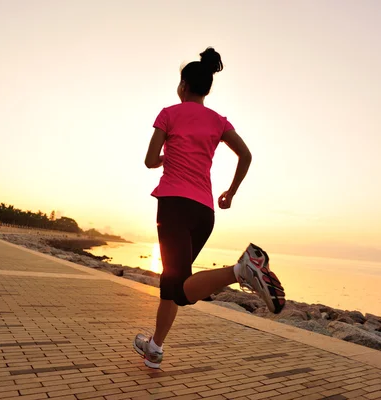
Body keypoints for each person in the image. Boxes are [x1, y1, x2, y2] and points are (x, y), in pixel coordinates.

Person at [134, 47, 285, 369]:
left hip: (174, 205)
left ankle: (241, 270)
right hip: (205, 211)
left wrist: (165, 158)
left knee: (180, 289)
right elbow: (246, 155)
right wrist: (231, 192)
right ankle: (155, 348)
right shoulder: (218, 121)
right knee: (173, 285)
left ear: (183, 85)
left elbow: (148, 161)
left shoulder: (169, 113)